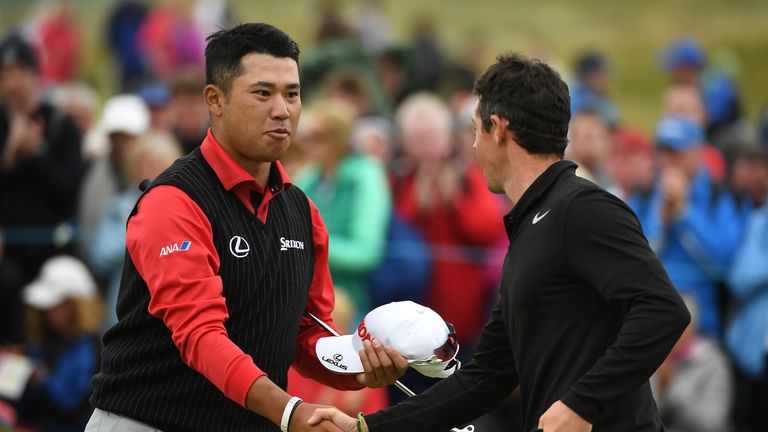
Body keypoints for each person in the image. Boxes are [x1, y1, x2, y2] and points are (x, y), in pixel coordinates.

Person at [308, 53, 691, 432]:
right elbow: (485, 378)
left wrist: (581, 403)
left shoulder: (583, 208)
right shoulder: (529, 227)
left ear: (498, 128)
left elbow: (664, 310)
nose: (473, 147)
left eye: (475, 130)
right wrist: (365, 428)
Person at [86, 23, 407, 432]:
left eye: (292, 94)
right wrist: (290, 411)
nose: (282, 109)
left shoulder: (303, 212)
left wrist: (360, 370)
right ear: (215, 100)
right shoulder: (173, 202)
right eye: (263, 93)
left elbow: (308, 334)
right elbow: (201, 336)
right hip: (144, 421)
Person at [628, 115, 748, 336]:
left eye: (676, 153)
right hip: (649, 319)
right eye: (663, 152)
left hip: (702, 326)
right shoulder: (644, 198)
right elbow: (631, 262)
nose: (668, 161)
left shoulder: (718, 196)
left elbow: (725, 262)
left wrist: (684, 213)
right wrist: (662, 220)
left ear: (697, 153)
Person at [15, 255, 103, 432]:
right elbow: (25, 407)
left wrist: (41, 379)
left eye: (56, 305)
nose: (48, 313)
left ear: (76, 305)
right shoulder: (43, 342)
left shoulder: (88, 346)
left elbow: (74, 405)